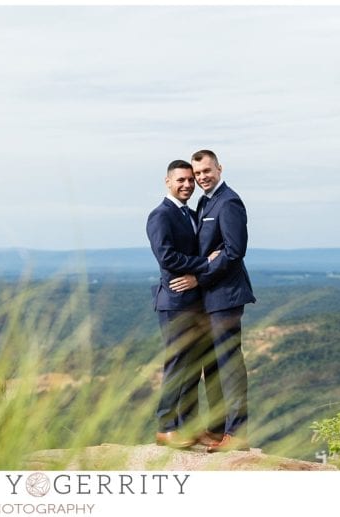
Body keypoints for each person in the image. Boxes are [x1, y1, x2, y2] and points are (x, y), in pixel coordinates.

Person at [171, 149, 255, 452]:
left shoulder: (229, 201)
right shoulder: (206, 202)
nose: (202, 177)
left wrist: (200, 276)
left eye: (207, 171)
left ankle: (237, 433)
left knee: (229, 365)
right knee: (214, 367)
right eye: (198, 174)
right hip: (209, 299)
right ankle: (219, 429)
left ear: (219, 168)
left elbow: (234, 251)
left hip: (225, 296)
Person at [145, 160, 221, 449]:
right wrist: (205, 264)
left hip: (194, 300)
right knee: (178, 364)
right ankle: (166, 427)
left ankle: (187, 426)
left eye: (191, 179)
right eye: (181, 180)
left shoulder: (190, 212)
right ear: (167, 182)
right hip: (175, 301)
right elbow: (167, 258)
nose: (188, 184)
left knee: (192, 365)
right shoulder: (161, 215)